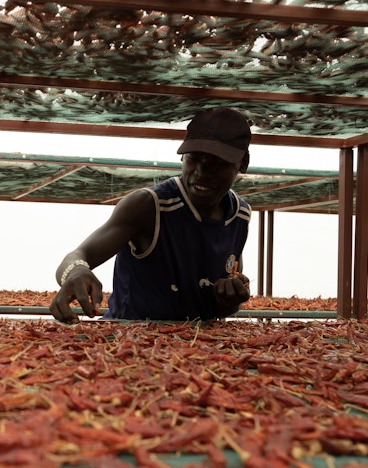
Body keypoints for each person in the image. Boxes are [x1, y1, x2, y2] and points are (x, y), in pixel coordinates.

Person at [49, 107, 252, 323]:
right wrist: (75, 271)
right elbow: (78, 255)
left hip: (198, 348)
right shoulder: (150, 205)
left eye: (218, 164)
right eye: (193, 159)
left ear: (243, 164)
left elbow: (223, 306)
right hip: (131, 342)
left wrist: (230, 299)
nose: (201, 173)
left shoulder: (240, 215)